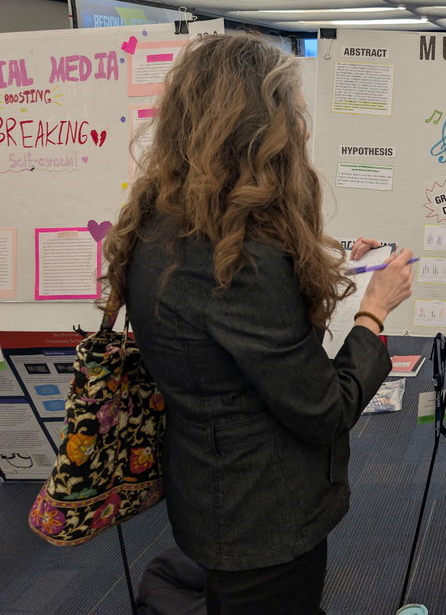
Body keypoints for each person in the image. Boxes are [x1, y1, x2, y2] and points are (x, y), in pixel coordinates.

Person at [101, 34, 413, 614]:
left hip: (212, 487)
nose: (301, 125)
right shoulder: (237, 259)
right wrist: (373, 312)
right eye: (292, 111)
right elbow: (324, 409)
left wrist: (333, 269)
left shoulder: (165, 222)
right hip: (260, 512)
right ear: (258, 127)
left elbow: (230, 336)